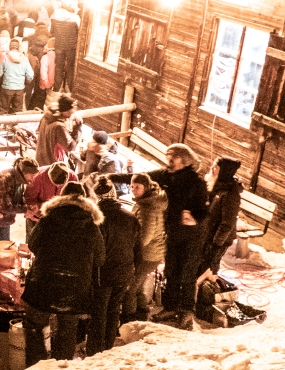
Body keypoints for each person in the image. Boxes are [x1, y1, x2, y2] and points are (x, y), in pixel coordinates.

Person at [111, 144, 208, 328]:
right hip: (172, 232)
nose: (169, 160)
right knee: (170, 271)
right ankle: (170, 306)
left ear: (185, 159)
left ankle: (186, 310)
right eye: (168, 156)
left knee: (186, 273)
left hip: (191, 236)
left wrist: (194, 217)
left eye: (174, 157)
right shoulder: (165, 175)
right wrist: (111, 177)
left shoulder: (196, 182)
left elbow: (204, 210)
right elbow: (139, 177)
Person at [20, 181, 105, 366]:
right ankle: (61, 367)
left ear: (61, 197)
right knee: (67, 329)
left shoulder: (48, 219)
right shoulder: (91, 224)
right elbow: (100, 258)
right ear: (83, 199)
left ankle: (35, 366)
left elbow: (33, 244)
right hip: (76, 287)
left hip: (44, 281)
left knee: (34, 325)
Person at [86, 178, 142, 356]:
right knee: (113, 311)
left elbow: (93, 251)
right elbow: (138, 250)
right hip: (124, 272)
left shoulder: (97, 220)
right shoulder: (130, 217)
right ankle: (108, 346)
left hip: (103, 274)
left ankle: (95, 350)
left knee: (99, 313)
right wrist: (132, 271)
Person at [121, 173, 168, 323]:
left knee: (129, 289)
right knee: (138, 287)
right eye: (132, 186)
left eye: (138, 187)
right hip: (150, 254)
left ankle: (129, 322)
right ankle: (142, 313)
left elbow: (145, 236)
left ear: (146, 187)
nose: (134, 190)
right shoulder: (146, 202)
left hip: (147, 255)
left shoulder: (148, 207)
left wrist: (129, 248)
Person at [0, 156, 39, 249]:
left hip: (4, 220)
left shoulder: (19, 179)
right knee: (0, 252)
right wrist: (24, 210)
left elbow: (19, 197)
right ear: (25, 172)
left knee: (6, 249)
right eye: (32, 175)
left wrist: (27, 208)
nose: (33, 178)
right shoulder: (5, 178)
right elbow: (3, 206)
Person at [199, 157, 243, 276]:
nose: (212, 169)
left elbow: (227, 223)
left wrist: (215, 245)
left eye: (216, 167)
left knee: (208, 268)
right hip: (207, 234)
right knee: (199, 265)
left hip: (218, 239)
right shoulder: (216, 185)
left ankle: (207, 291)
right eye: (213, 166)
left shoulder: (230, 194)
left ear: (224, 171)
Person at [23, 162, 76, 243]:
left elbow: (75, 198)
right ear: (49, 175)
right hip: (37, 216)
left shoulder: (73, 177)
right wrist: (35, 209)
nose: (58, 187)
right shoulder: (37, 177)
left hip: (59, 218)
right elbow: (29, 198)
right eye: (55, 183)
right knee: (32, 241)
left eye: (61, 185)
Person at [35, 95, 81, 166]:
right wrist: (77, 128)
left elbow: (38, 131)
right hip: (52, 164)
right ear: (67, 110)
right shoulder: (58, 126)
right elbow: (70, 146)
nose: (74, 112)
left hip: (40, 159)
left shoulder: (46, 117)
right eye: (73, 110)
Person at [49, 0, 81, 93]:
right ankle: (69, 90)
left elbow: (50, 31)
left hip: (59, 45)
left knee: (58, 67)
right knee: (70, 67)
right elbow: (79, 31)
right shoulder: (75, 18)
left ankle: (57, 89)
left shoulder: (54, 16)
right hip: (71, 47)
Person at [0, 39, 33, 115]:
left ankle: (2, 125)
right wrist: (25, 82)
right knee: (17, 112)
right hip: (19, 88)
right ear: (18, 47)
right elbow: (30, 75)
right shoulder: (24, 59)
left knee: (3, 111)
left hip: (7, 87)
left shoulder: (5, 57)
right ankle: (14, 126)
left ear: (10, 47)